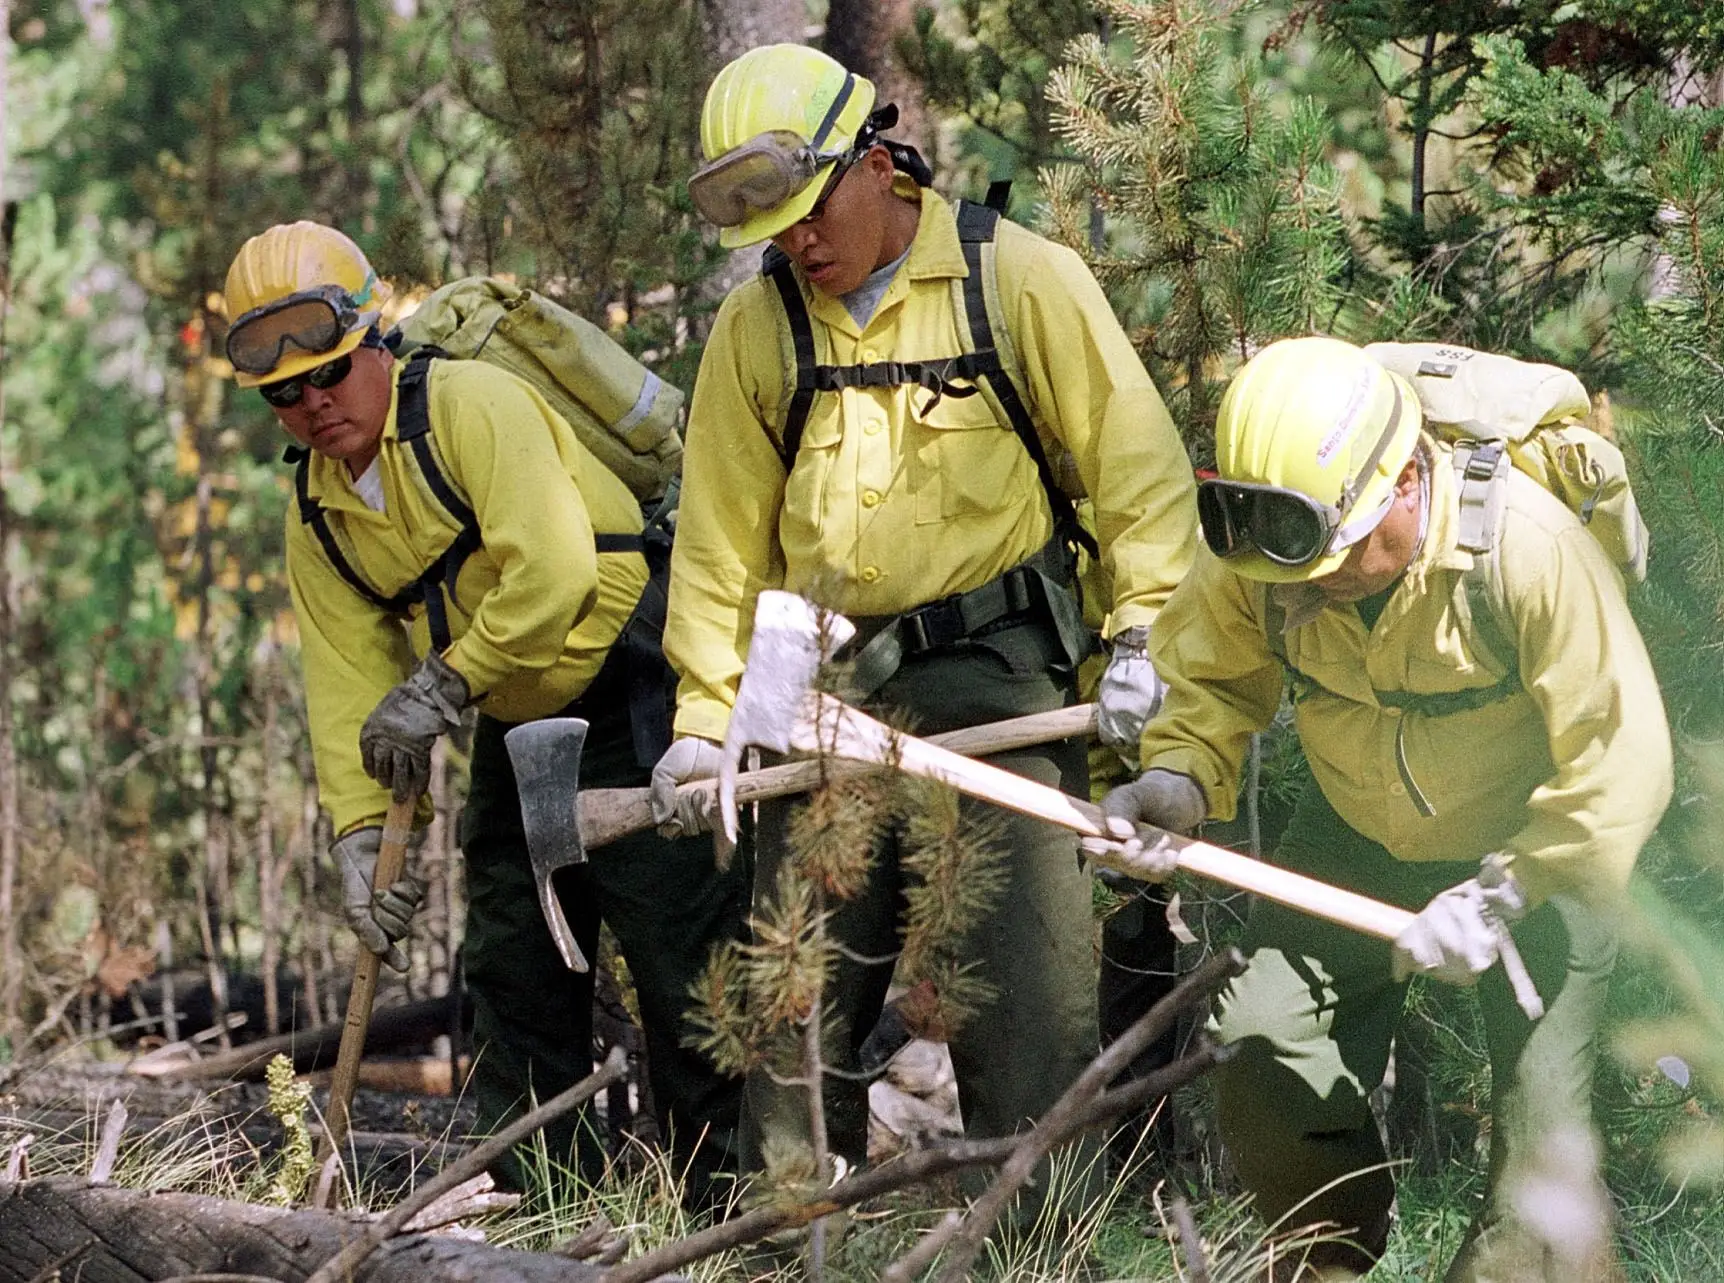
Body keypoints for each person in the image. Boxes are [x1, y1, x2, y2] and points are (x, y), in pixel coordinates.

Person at [653, 43, 1199, 1202]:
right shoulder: (755, 332)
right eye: (774, 227)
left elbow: (1139, 477)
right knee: (788, 1009)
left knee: (1029, 1019)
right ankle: (785, 1243)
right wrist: (704, 718)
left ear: (879, 163)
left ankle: (1044, 1247)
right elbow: (716, 540)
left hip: (1000, 685)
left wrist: (1144, 640)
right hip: (819, 699)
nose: (796, 243)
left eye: (809, 211)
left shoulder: (1019, 282)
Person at [1090, 335, 1672, 1279]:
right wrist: (1180, 780)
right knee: (1262, 1048)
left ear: (1406, 479)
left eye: (1342, 549)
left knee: (1540, 1181)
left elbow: (1624, 759)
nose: (1316, 579)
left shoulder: (1528, 548)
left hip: (1536, 845)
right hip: (1358, 826)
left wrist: (1505, 890)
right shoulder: (1270, 539)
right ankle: (1329, 1256)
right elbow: (1210, 677)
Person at [221, 221, 744, 1201]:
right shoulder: (317, 509)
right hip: (511, 712)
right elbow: (343, 679)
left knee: (684, 961)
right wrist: (358, 834)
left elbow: (553, 567)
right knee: (510, 968)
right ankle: (545, 1217)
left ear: (371, 340)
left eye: (329, 371)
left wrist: (442, 686)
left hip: (634, 676)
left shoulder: (470, 404)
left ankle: (741, 1219)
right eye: (282, 392)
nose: (313, 403)